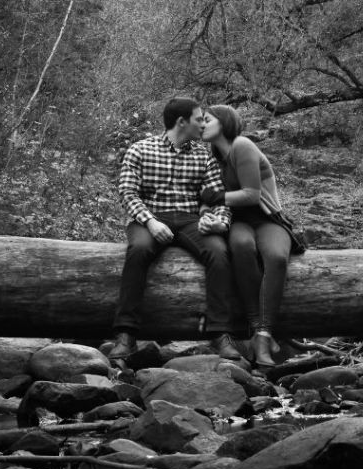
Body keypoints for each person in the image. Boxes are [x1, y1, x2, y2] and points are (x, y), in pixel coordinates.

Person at [109, 96, 242, 362]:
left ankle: (219, 333)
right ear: (181, 122)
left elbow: (218, 196)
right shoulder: (140, 149)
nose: (202, 124)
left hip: (190, 219)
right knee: (138, 250)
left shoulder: (203, 156)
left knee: (218, 251)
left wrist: (220, 222)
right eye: (198, 119)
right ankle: (126, 335)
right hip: (151, 216)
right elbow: (127, 191)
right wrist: (150, 221)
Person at [200, 105, 305, 367]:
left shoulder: (242, 145)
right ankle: (256, 327)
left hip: (267, 219)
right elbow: (205, 194)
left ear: (224, 123)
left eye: (207, 120)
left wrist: (215, 198)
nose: (201, 124)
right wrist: (206, 211)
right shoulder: (213, 157)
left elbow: (251, 195)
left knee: (277, 258)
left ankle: (264, 334)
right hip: (239, 221)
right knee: (241, 247)